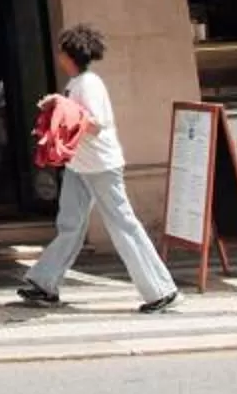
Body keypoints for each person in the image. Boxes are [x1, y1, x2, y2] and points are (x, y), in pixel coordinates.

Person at [18, 23, 179, 314]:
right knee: (70, 223)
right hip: (80, 165)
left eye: (61, 52)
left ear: (70, 55)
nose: (58, 56)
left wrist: (61, 105)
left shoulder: (88, 84)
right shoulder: (78, 82)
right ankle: (44, 283)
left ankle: (161, 289)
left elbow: (95, 124)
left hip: (101, 166)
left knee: (122, 224)